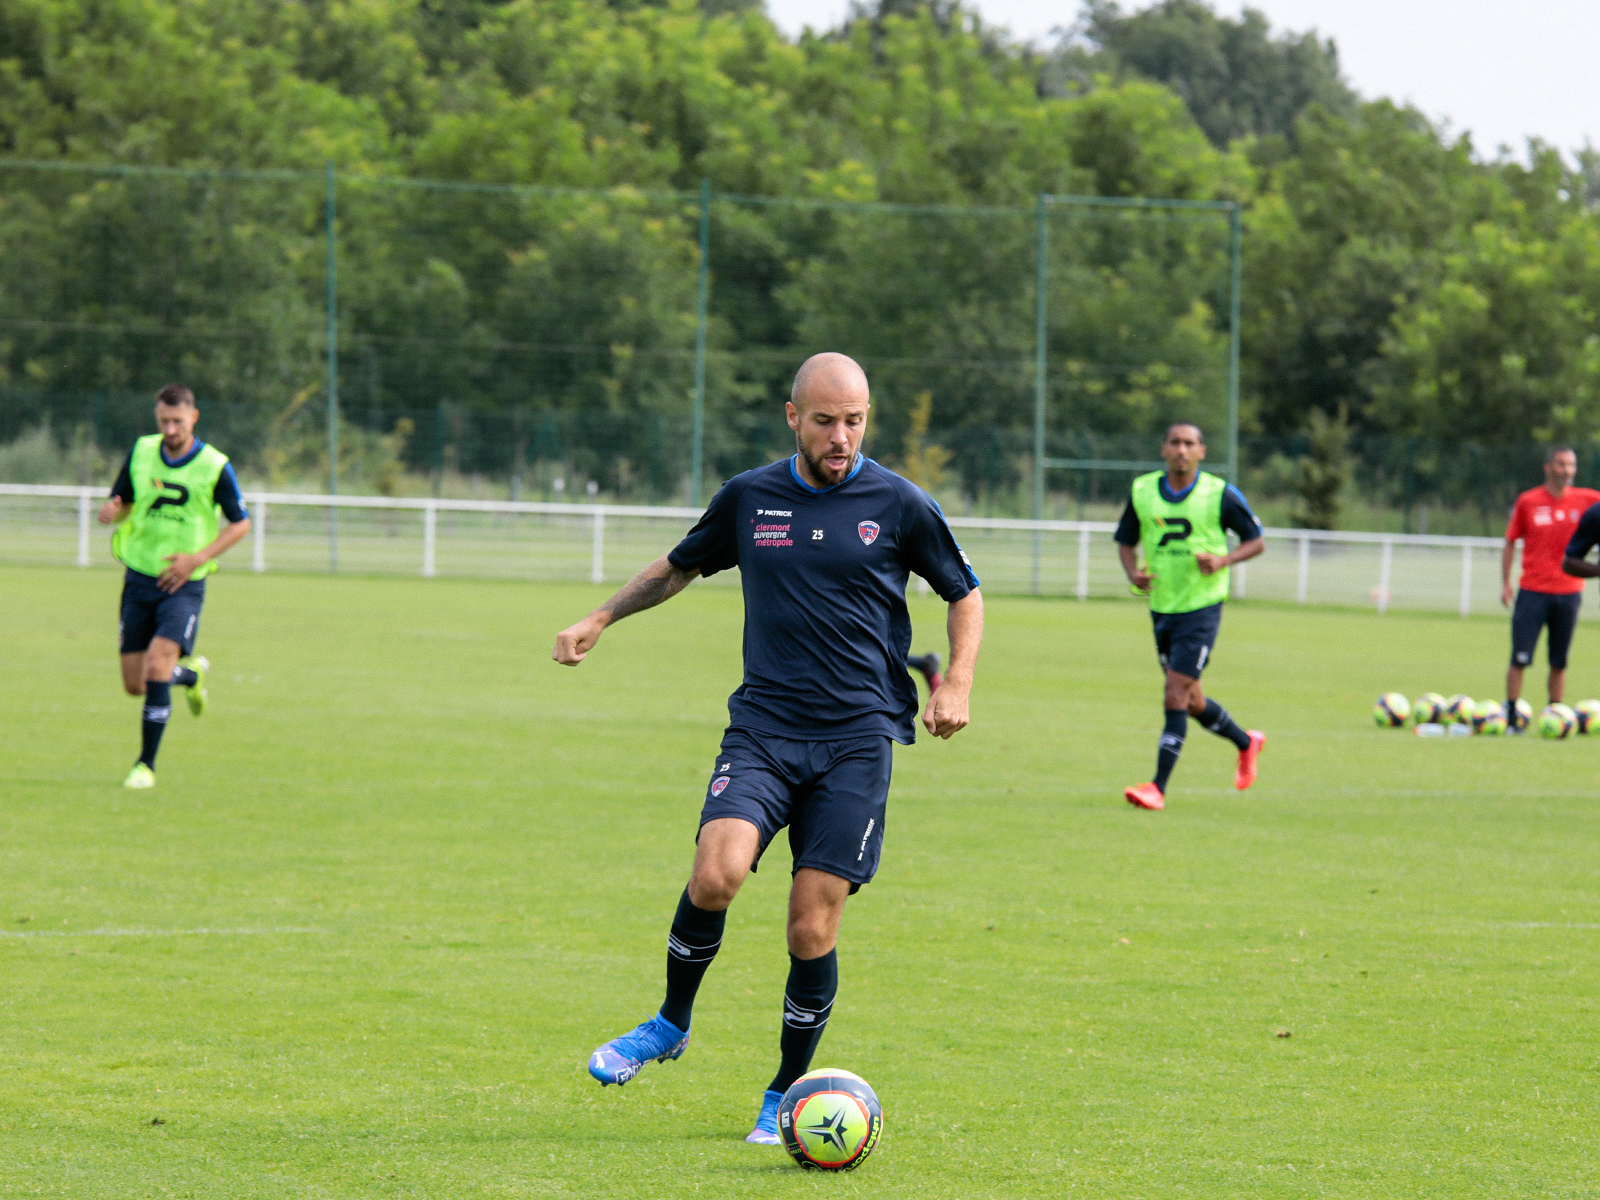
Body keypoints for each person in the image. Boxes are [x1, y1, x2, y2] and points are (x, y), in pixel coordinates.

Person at [552, 352, 983, 1144]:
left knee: (809, 928)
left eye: (854, 420)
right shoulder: (751, 497)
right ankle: (670, 1022)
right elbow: (677, 568)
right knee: (715, 874)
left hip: (857, 741)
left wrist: (954, 683)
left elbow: (963, 590)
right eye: (825, 421)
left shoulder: (899, 502)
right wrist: (601, 617)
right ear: (794, 417)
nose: (842, 436)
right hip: (764, 732)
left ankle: (786, 1089)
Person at [99, 383, 251, 788]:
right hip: (138, 578)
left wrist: (197, 559)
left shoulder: (215, 466)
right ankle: (189, 676)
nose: (170, 429)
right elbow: (124, 504)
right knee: (136, 684)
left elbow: (241, 523)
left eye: (177, 421)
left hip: (183, 585)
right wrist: (112, 512)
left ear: (194, 417)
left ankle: (145, 766)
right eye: (163, 421)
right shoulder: (142, 452)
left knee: (156, 666)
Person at [1115, 423, 1266, 811]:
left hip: (1202, 608)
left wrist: (1222, 560)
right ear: (1163, 449)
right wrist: (1134, 574)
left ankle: (1157, 788)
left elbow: (1256, 541)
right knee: (1192, 701)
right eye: (1175, 443)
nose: (1181, 450)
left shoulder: (1219, 494)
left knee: (1175, 693)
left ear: (1202, 451)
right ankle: (1247, 743)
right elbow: (1125, 541)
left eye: (1189, 444)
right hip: (1163, 608)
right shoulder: (1143, 491)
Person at [1502, 447, 1598, 730]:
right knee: (1520, 658)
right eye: (1561, 464)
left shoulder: (1589, 500)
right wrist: (1505, 582)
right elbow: (1510, 541)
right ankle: (1510, 718)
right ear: (1548, 467)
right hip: (1532, 590)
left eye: (1571, 465)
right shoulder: (1528, 501)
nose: (1566, 470)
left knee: (1559, 661)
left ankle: (1555, 716)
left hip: (1569, 592)